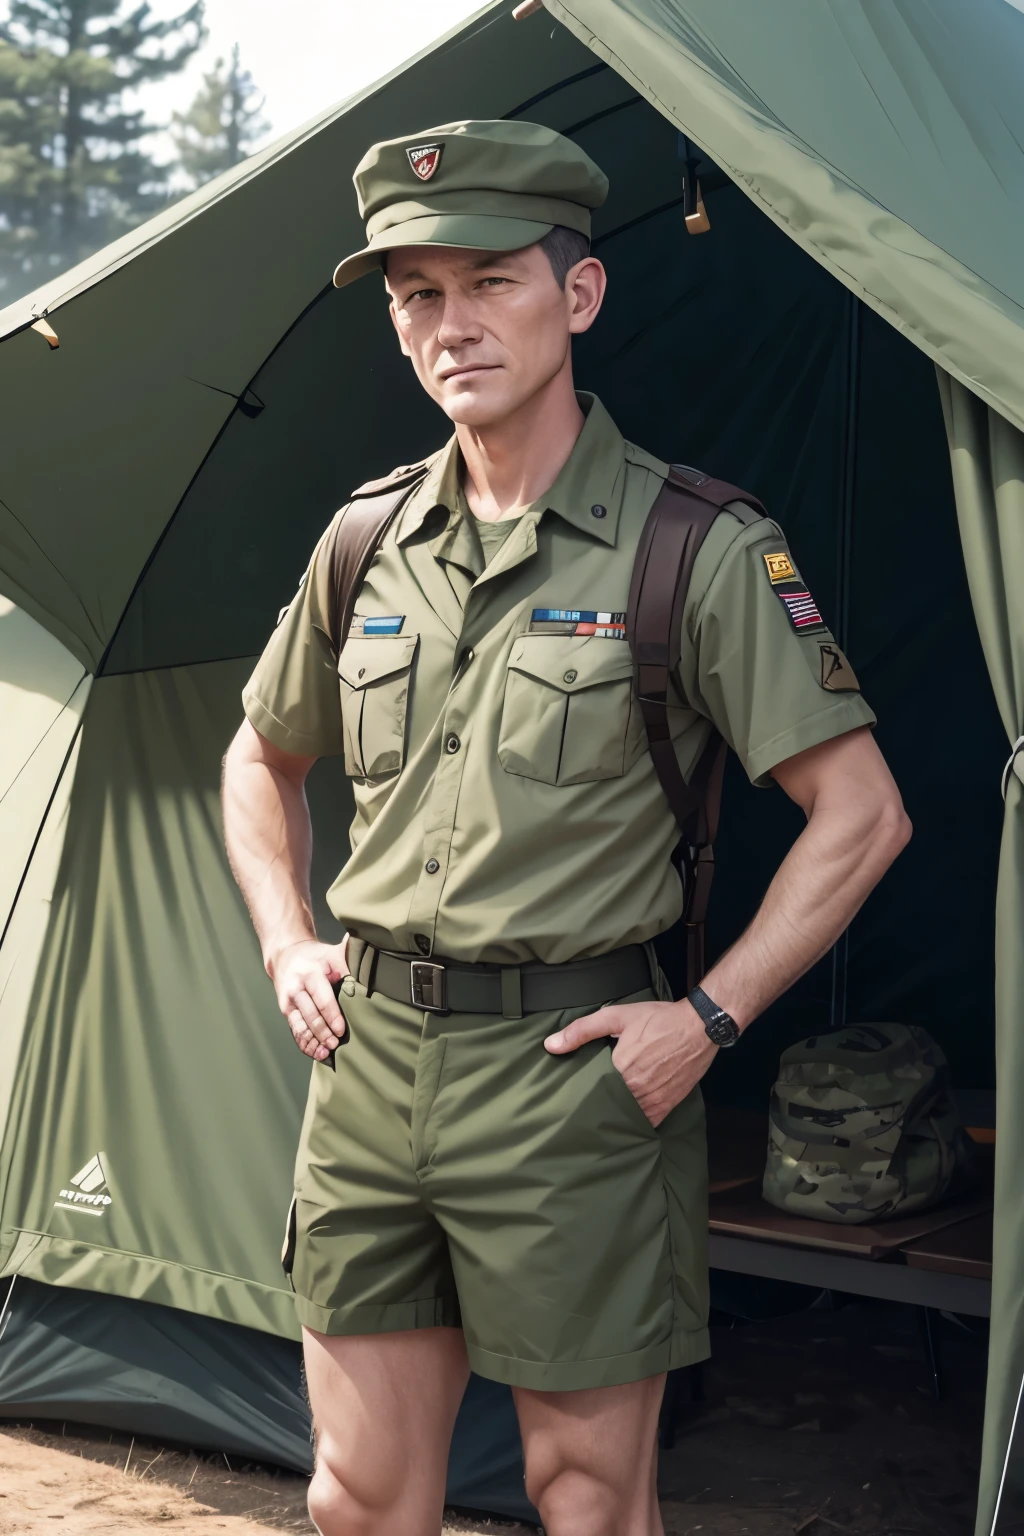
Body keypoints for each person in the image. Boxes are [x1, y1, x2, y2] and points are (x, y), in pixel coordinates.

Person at [222, 119, 911, 1536]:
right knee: (356, 1497)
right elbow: (257, 759)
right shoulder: (362, 544)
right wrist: (291, 941)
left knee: (587, 1497)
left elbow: (863, 817)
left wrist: (708, 1022)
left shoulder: (695, 550)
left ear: (579, 294)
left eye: (490, 282)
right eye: (419, 295)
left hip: (575, 1085)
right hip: (367, 1073)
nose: (451, 326)